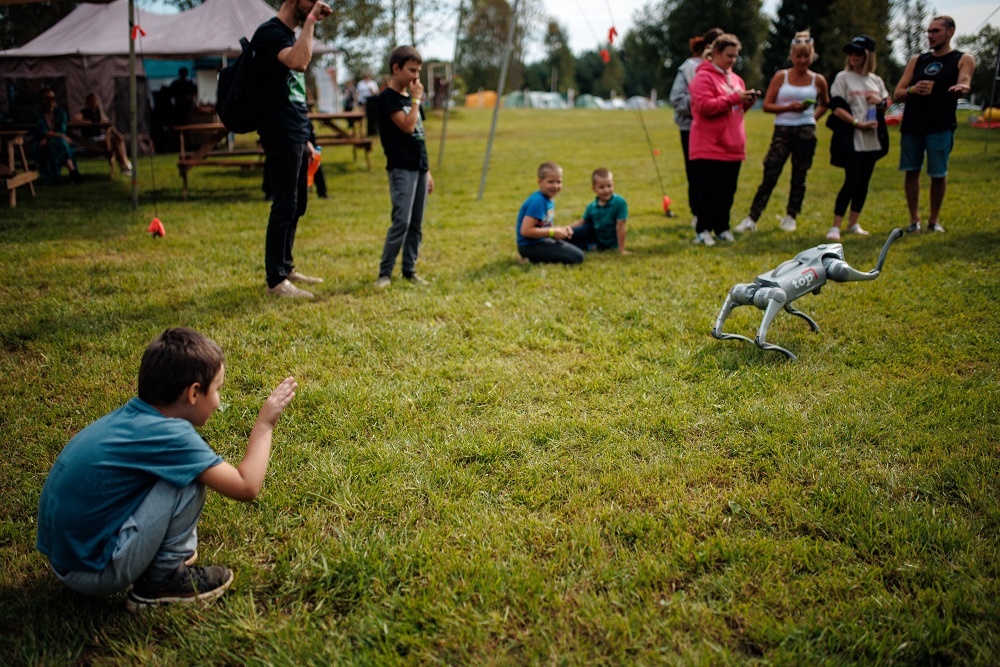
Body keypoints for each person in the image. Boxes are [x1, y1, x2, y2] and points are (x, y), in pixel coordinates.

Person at [36, 327, 298, 611]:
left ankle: (155, 559)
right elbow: (246, 486)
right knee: (189, 480)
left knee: (180, 471)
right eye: (218, 389)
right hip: (93, 570)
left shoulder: (132, 417)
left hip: (67, 558)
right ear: (194, 393)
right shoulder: (171, 437)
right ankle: (161, 581)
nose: (219, 400)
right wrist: (265, 425)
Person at [252, 0, 332, 299]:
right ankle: (276, 281)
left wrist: (307, 141)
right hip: (279, 131)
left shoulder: (290, 37)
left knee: (297, 204)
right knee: (285, 203)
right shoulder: (270, 33)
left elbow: (292, 92)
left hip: (297, 132)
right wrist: (311, 20)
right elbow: (299, 63)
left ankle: (285, 267)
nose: (315, 4)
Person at [735, 31, 829, 234]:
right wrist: (790, 108)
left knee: (799, 175)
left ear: (811, 57)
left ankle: (790, 216)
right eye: (798, 56)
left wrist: (812, 118)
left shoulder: (818, 80)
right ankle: (752, 217)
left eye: (806, 56)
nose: (802, 60)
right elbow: (767, 105)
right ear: (792, 56)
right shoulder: (782, 77)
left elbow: (825, 104)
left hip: (805, 132)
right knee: (770, 173)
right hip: (783, 130)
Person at [894, 15, 975, 234]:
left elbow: (965, 81)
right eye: (928, 31)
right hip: (913, 125)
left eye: (935, 31)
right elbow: (898, 92)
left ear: (950, 32)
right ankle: (914, 220)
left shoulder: (962, 58)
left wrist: (961, 88)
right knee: (912, 171)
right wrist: (913, 90)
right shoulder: (917, 60)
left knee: (938, 174)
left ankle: (933, 220)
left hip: (941, 125)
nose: (930, 35)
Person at [688, 34, 758, 245]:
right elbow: (703, 107)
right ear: (716, 53)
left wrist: (747, 102)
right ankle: (703, 230)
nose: (733, 60)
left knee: (728, 191)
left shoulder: (736, 79)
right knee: (709, 190)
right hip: (710, 145)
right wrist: (735, 98)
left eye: (735, 56)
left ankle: (722, 227)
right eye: (729, 55)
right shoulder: (703, 77)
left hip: (733, 145)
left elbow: (735, 109)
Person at [375, 45, 434, 288]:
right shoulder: (388, 99)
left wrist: (427, 170)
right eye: (411, 70)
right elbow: (408, 126)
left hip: (419, 168)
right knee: (402, 221)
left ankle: (409, 270)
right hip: (401, 168)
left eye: (418, 70)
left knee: (416, 223)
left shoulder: (411, 99)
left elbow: (419, 136)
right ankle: (385, 273)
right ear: (396, 68)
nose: (415, 76)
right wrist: (417, 99)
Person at [825, 35, 890, 241]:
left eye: (858, 53)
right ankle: (836, 226)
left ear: (867, 55)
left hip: (873, 138)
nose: (853, 56)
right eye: (850, 52)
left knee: (863, 182)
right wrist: (857, 123)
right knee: (851, 179)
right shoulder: (843, 78)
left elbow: (887, 103)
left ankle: (853, 223)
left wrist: (880, 102)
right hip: (853, 137)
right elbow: (835, 107)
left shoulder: (875, 80)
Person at [669, 27, 724, 229]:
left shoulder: (726, 68)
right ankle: (697, 213)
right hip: (691, 128)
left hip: (717, 128)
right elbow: (676, 99)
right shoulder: (689, 67)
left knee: (717, 175)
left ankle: (716, 216)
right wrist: (703, 103)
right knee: (696, 173)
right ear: (709, 46)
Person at [516, 161, 583, 265]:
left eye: (559, 181)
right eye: (551, 182)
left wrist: (560, 230)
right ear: (540, 182)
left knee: (576, 241)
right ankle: (529, 258)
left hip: (542, 240)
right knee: (577, 257)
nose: (555, 186)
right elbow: (525, 231)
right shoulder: (538, 202)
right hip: (530, 246)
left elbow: (543, 225)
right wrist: (552, 232)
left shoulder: (548, 200)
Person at [570, 167, 631, 255]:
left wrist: (621, 250)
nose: (606, 190)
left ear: (613, 185)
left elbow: (620, 227)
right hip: (595, 237)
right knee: (571, 235)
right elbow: (582, 221)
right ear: (594, 188)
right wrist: (566, 229)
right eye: (601, 187)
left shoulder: (620, 202)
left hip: (604, 244)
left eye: (609, 186)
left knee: (576, 246)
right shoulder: (592, 206)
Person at [74, 92, 133, 176]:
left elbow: (109, 124)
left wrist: (117, 133)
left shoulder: (99, 113)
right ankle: (124, 165)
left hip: (100, 137)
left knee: (118, 139)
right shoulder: (85, 112)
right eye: (91, 100)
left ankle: (124, 164)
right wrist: (85, 121)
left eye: (95, 99)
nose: (93, 101)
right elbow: (75, 119)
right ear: (88, 101)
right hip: (91, 139)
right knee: (115, 141)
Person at [34, 88, 83, 184]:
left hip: (51, 141)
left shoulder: (61, 113)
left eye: (52, 98)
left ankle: (55, 177)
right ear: (42, 100)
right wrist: (61, 136)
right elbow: (42, 131)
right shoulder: (39, 114)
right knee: (60, 142)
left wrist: (53, 136)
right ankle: (72, 170)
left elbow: (61, 130)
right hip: (44, 141)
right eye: (47, 99)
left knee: (58, 143)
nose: (50, 101)